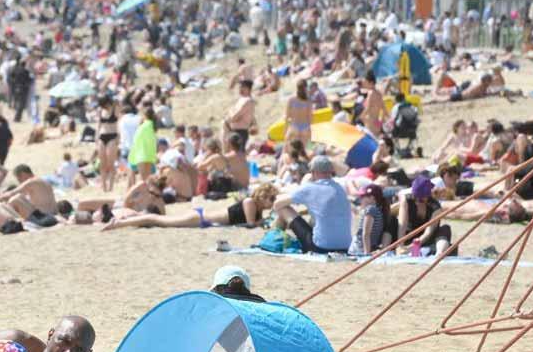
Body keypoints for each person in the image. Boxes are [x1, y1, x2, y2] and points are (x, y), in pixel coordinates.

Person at [102, 183, 279, 231]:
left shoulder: (256, 207)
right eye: (271, 199)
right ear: (263, 196)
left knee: (159, 221)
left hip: (202, 218)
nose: (272, 202)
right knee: (157, 220)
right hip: (200, 218)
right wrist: (265, 220)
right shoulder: (250, 203)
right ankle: (118, 223)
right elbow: (249, 224)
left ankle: (125, 219)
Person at [273, 156, 352, 254]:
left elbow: (277, 205)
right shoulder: (339, 188)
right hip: (345, 246)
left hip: (320, 247)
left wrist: (305, 184)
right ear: (331, 171)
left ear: (313, 172)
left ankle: (273, 239)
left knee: (283, 208)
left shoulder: (309, 188)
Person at [397, 176, 452, 256]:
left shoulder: (435, 207)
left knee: (445, 228)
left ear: (427, 196)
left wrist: (412, 247)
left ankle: (439, 253)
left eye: (421, 199)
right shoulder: (406, 201)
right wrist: (400, 245)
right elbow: (402, 224)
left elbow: (428, 233)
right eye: (415, 198)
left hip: (427, 239)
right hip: (409, 235)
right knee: (393, 222)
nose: (417, 202)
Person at [349, 183, 390, 256]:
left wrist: (366, 253)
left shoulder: (371, 209)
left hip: (359, 248)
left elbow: (366, 233)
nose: (360, 199)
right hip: (370, 247)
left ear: (372, 198)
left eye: (362, 196)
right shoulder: (379, 210)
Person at [96, 96, 121, 192]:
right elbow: (98, 125)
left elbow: (119, 105)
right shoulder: (101, 110)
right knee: (102, 164)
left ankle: (111, 187)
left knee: (111, 164)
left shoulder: (115, 109)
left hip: (112, 136)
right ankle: (104, 187)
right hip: (102, 136)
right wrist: (96, 138)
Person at [224, 79, 257, 146]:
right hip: (234, 130)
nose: (240, 89)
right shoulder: (241, 100)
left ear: (248, 89)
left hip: (240, 131)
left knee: (238, 154)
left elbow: (234, 117)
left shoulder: (248, 101)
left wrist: (230, 111)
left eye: (242, 87)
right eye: (240, 87)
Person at [285, 79, 313, 146]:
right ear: (306, 87)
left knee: (292, 150)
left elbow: (287, 116)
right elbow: (310, 117)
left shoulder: (291, 99)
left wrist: (286, 130)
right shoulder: (308, 100)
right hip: (305, 127)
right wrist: (310, 130)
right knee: (306, 149)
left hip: (294, 126)